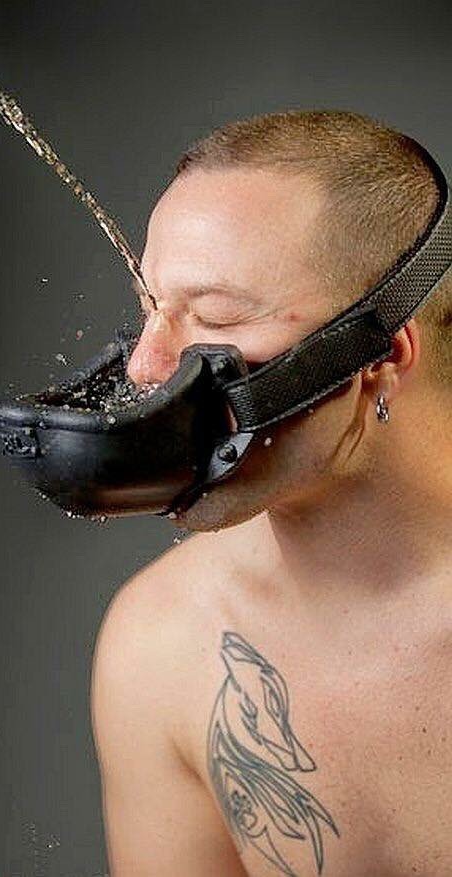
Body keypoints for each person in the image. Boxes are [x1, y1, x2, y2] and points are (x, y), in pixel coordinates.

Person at [90, 110, 452, 877]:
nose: (147, 368)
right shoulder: (164, 644)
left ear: (382, 355)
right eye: (151, 308)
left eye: (216, 315)